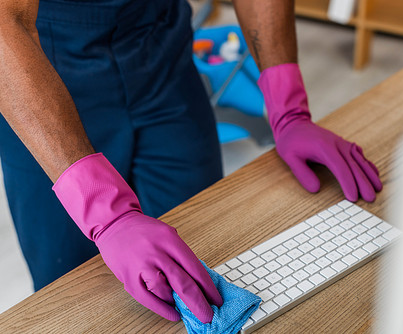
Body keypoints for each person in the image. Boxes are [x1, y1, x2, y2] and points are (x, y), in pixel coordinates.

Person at [0, 0, 382, 324]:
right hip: (39, 71)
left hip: (161, 54)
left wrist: (288, 108)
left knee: (212, 256)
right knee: (74, 300)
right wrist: (106, 213)